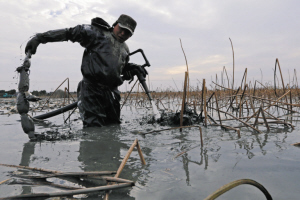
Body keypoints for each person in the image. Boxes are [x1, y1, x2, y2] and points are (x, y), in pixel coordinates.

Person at [25, 14, 147, 127]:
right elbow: (69, 33)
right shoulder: (97, 34)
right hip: (91, 90)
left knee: (114, 127)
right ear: (115, 24)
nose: (122, 33)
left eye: (127, 33)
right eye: (121, 28)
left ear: (130, 36)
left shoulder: (125, 49)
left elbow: (117, 68)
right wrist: (40, 38)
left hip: (111, 93)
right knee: (94, 129)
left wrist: (132, 68)